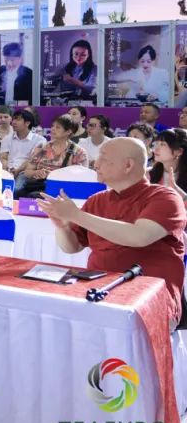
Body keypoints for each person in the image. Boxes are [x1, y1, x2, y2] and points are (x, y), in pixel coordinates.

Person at [39, 137, 186, 326]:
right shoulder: (96, 200)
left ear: (128, 165)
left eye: (104, 158)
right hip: (97, 290)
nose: (96, 164)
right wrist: (63, 226)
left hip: (148, 299)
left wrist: (76, 215)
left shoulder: (165, 197)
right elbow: (72, 247)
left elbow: (139, 236)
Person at [14, 115, 89, 198]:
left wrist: (55, 175)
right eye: (53, 126)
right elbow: (27, 172)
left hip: (63, 190)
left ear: (68, 131)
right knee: (19, 192)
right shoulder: (42, 147)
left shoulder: (79, 152)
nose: (53, 129)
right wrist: (36, 173)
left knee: (35, 196)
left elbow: (81, 178)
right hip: (38, 185)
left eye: (58, 127)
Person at [0, 109, 47, 177]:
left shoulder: (39, 140)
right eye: (14, 119)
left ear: (27, 123)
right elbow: (3, 158)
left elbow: (31, 160)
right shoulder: (7, 138)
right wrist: (7, 169)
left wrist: (18, 170)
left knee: (20, 180)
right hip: (8, 171)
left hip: (25, 172)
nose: (13, 122)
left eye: (18, 120)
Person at [149, 128, 187, 201]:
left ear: (179, 151)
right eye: (156, 144)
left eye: (163, 144)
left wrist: (178, 191)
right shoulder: (148, 174)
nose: (155, 149)